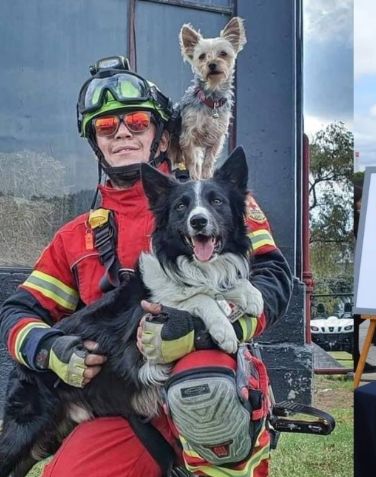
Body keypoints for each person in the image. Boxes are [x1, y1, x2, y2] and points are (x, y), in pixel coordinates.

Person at [0, 57, 291, 476]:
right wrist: (49, 350)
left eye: (136, 120)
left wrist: (209, 331)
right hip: (126, 406)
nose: (121, 132)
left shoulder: (214, 202)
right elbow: (16, 312)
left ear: (159, 133)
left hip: (210, 387)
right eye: (106, 126)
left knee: (204, 376)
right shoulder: (76, 236)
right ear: (94, 142)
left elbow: (273, 276)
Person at [352, 178, 376, 373]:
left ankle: (374, 333)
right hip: (358, 276)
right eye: (361, 200)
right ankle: (357, 360)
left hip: (365, 274)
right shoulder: (356, 219)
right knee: (356, 318)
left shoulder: (361, 216)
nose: (363, 203)